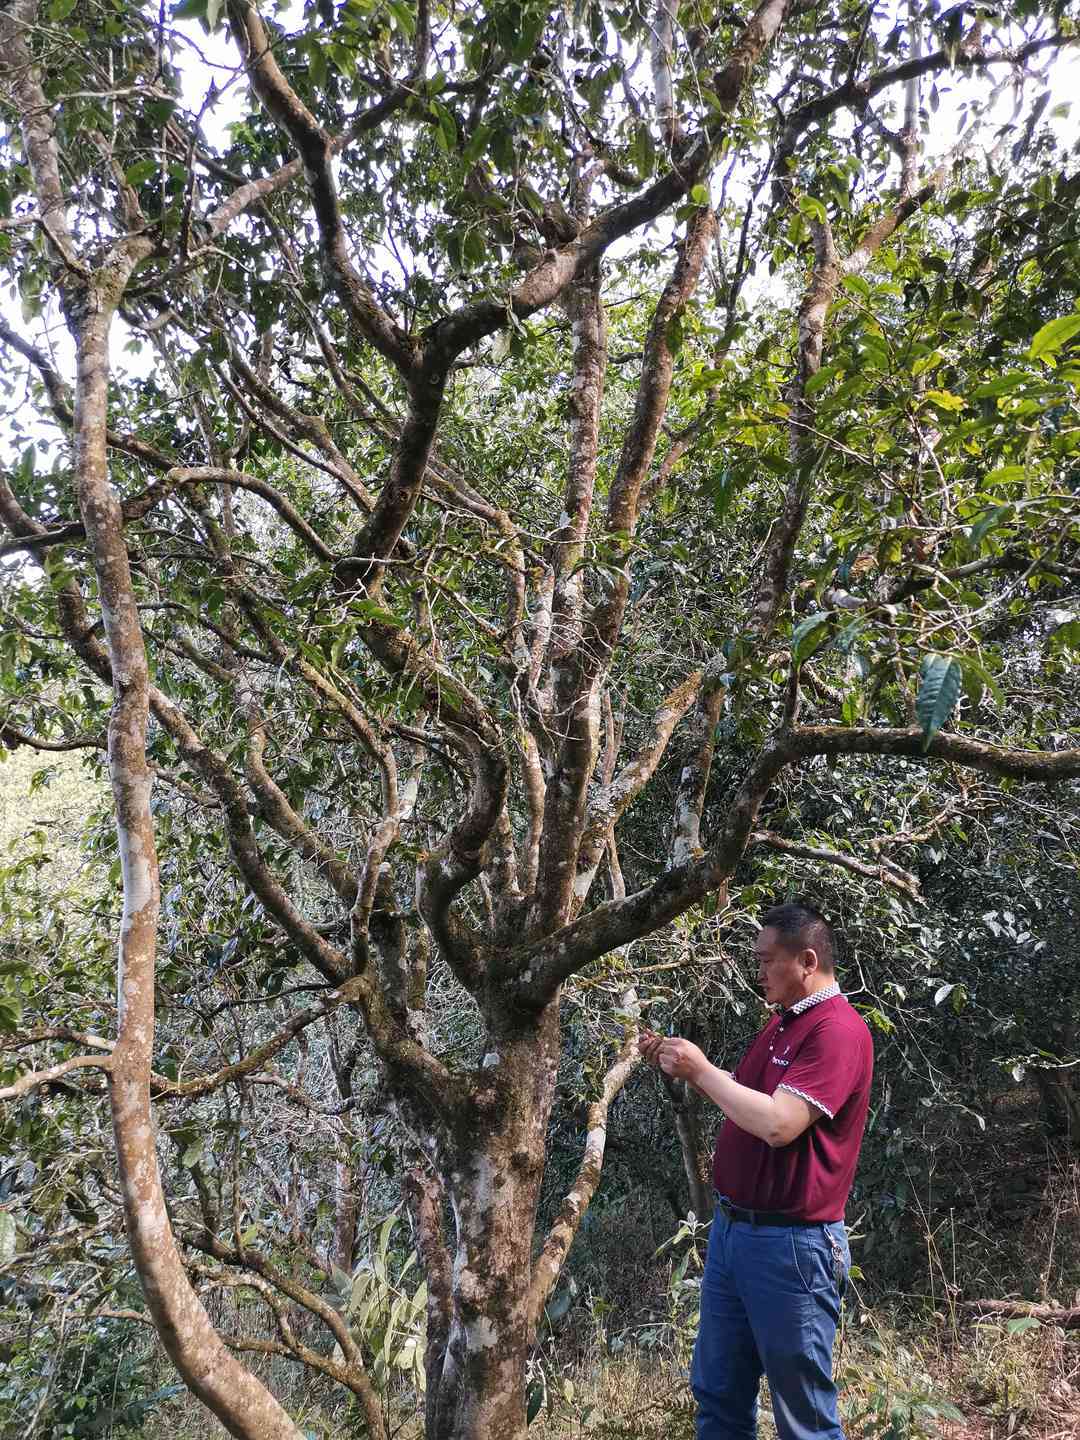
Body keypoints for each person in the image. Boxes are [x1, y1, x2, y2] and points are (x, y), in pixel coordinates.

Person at [639, 901, 873, 1440]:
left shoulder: (836, 1032)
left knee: (803, 1414)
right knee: (719, 1393)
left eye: (769, 961)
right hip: (733, 1235)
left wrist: (701, 1069)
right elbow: (742, 1102)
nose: (759, 972)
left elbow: (778, 1125)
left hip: (792, 1246)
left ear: (807, 960)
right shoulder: (782, 1026)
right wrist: (678, 1063)